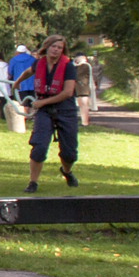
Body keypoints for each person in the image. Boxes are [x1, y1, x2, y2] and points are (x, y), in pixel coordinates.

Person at [24, 36, 89, 191]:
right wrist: (17, 82)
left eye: (59, 47)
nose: (56, 50)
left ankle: (67, 171)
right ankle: (33, 182)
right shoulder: (39, 62)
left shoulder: (68, 67)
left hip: (65, 109)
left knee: (69, 153)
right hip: (45, 111)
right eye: (53, 46)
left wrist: (41, 103)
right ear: (46, 47)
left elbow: (67, 93)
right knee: (39, 146)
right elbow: (28, 72)